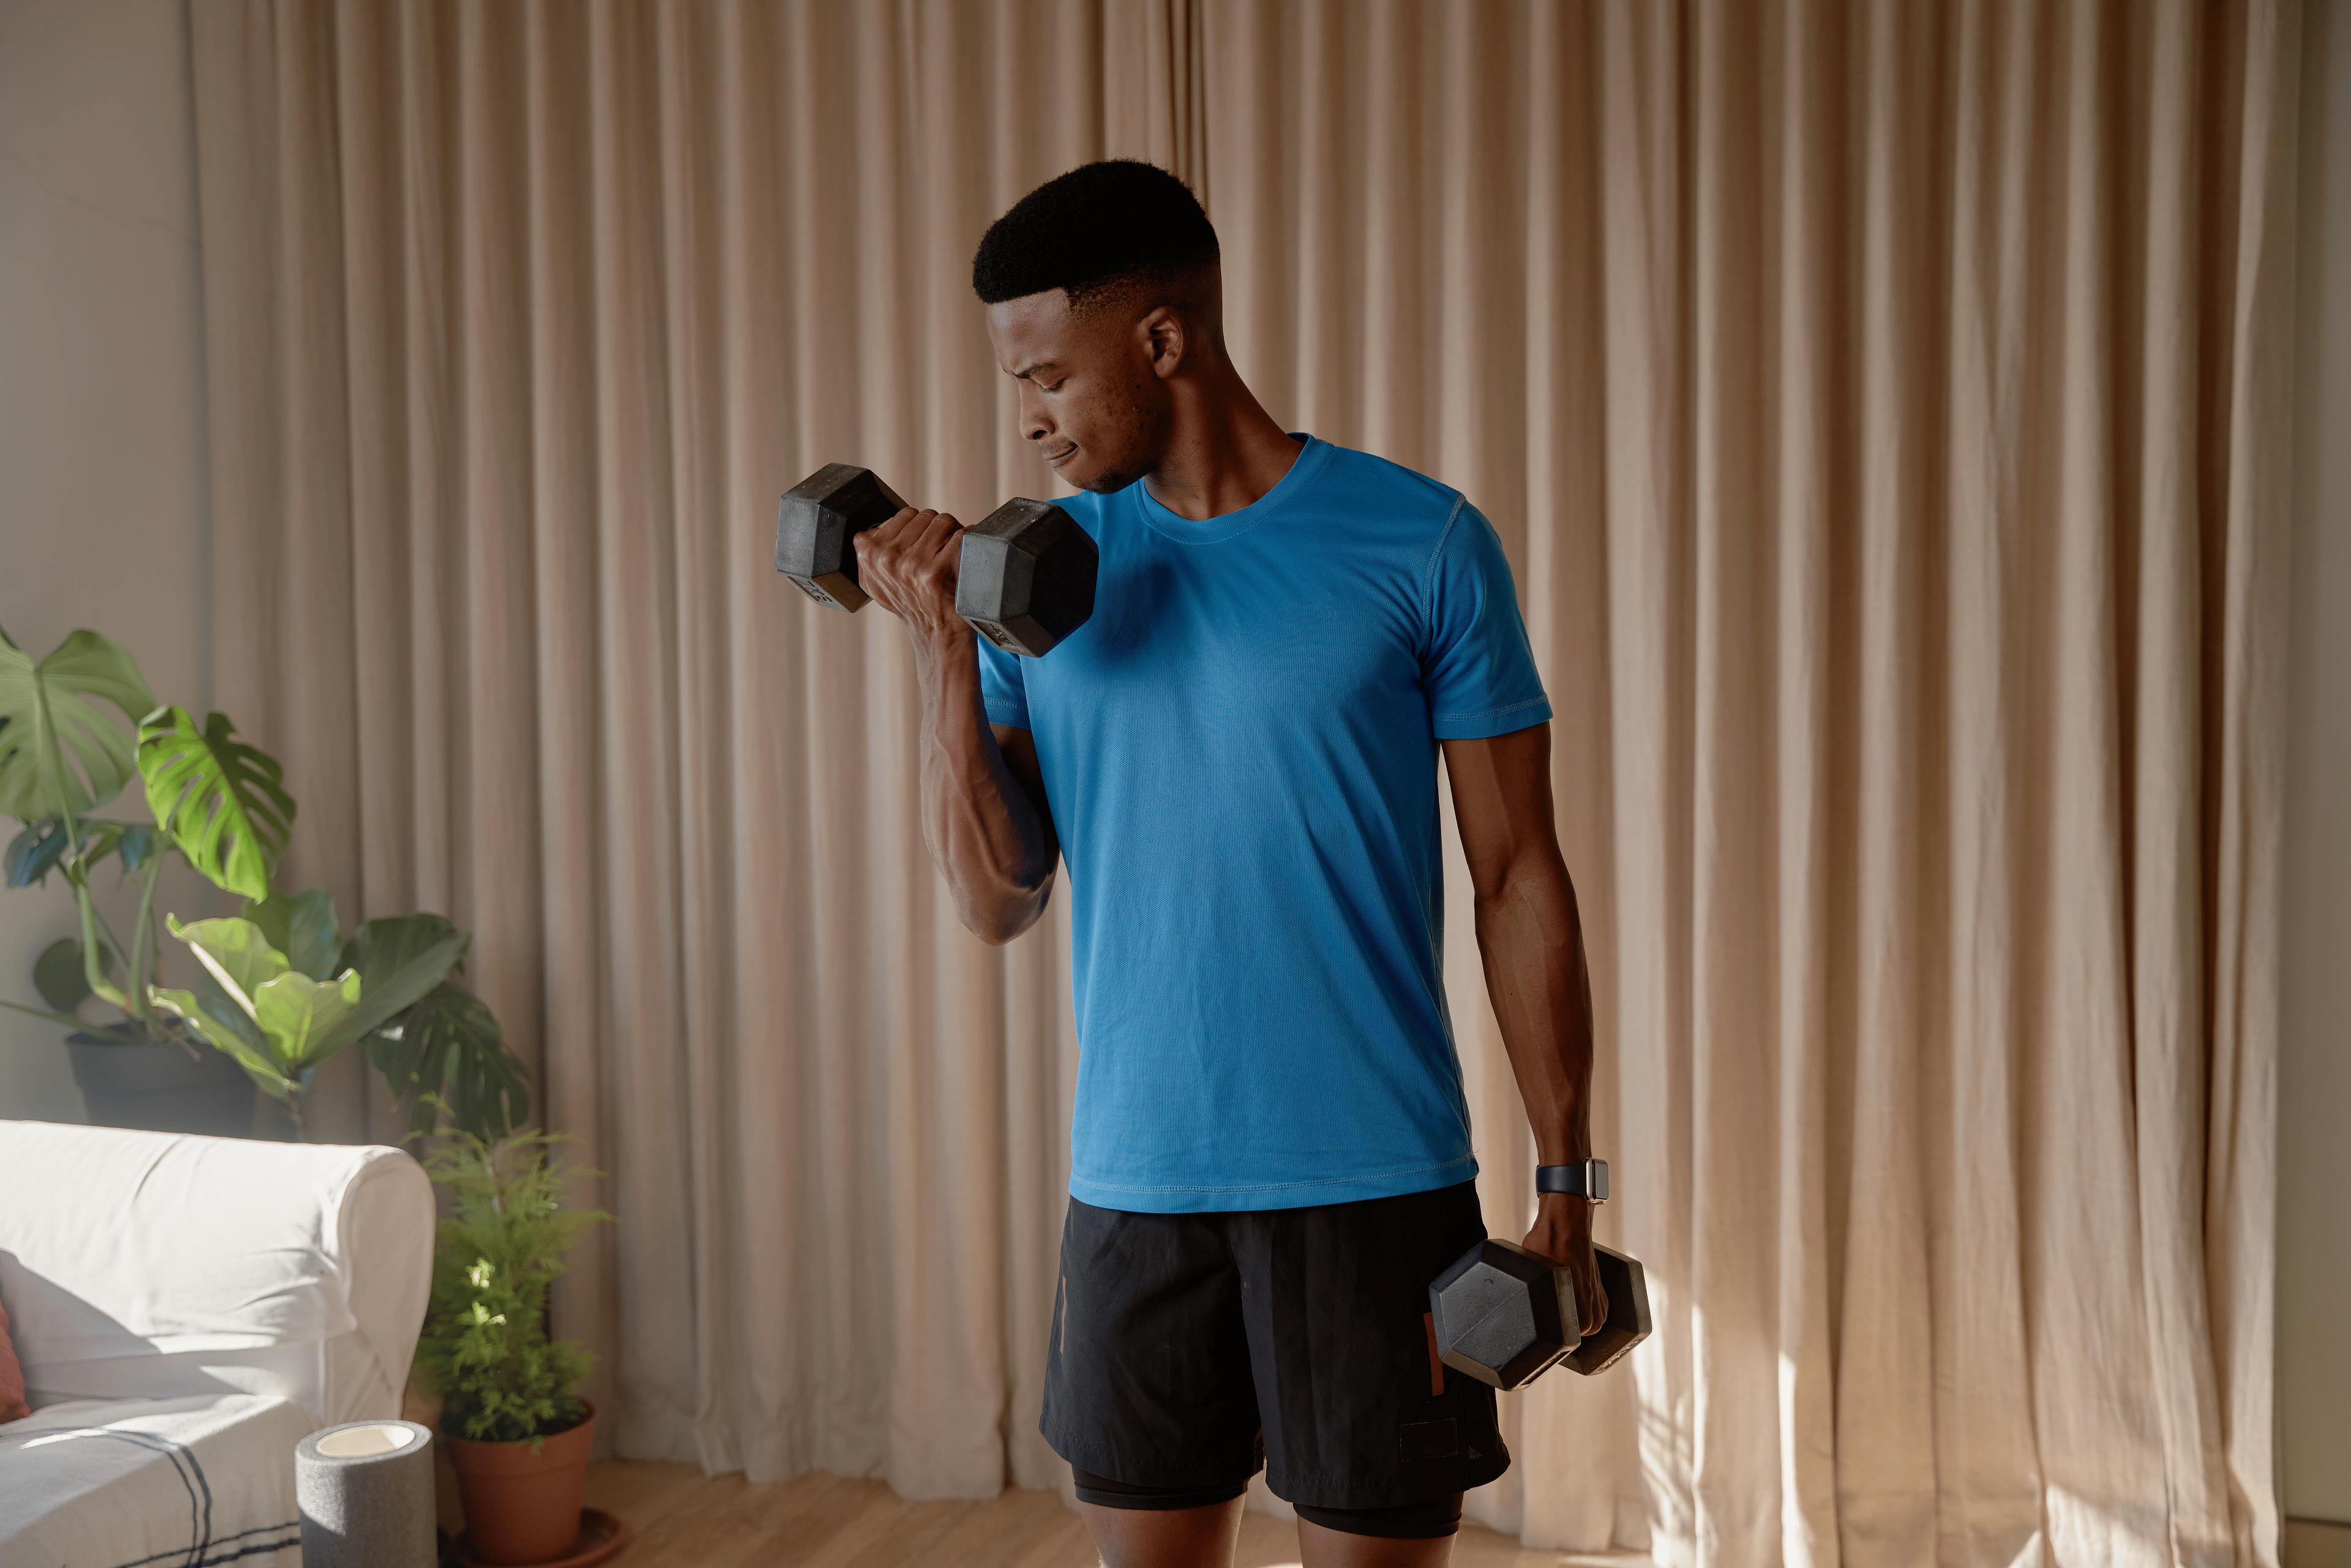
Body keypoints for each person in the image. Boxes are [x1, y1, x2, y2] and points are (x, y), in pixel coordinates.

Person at [849, 160, 1607, 1568]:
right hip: (1140, 1186)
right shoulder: (1039, 578)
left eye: (1048, 379)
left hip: (1375, 1186)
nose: (1029, 421)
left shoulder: (1421, 541)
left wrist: (1568, 1172)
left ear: (1161, 341)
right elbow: (996, 899)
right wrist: (941, 648)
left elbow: (1519, 875)